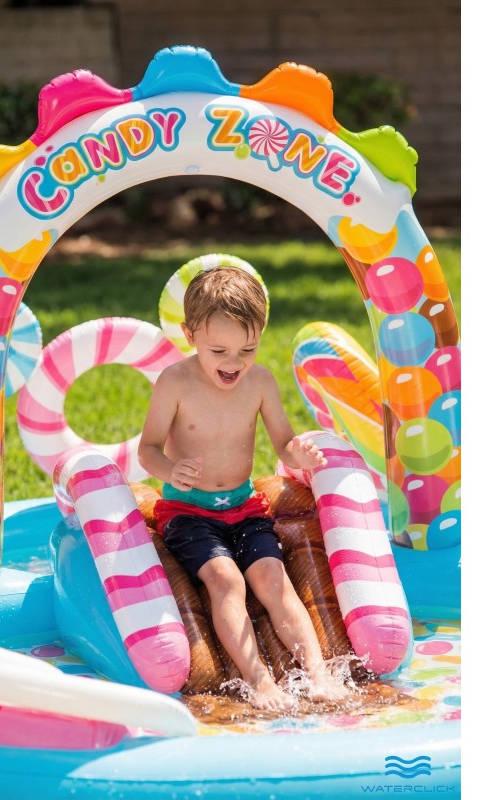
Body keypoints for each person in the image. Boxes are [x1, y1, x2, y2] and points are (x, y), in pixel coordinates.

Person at [138, 266, 347, 710]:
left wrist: (298, 454)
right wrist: (170, 470)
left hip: (244, 507)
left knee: (272, 578)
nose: (234, 362)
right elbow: (147, 450)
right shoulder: (175, 382)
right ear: (189, 334)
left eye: (247, 350)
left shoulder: (261, 382)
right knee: (226, 579)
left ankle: (319, 674)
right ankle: (260, 681)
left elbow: (283, 442)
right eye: (220, 350)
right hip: (188, 512)